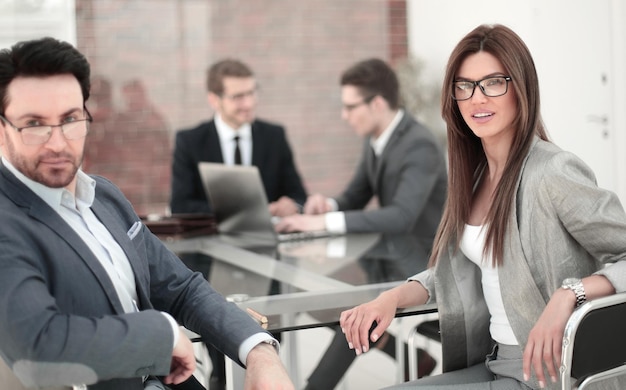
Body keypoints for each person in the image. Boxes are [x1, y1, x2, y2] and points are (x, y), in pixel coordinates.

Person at [339, 24, 626, 390]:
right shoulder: (474, 178)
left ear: (521, 89)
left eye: (493, 82)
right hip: (494, 361)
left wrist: (570, 293)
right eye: (465, 86)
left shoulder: (552, 171)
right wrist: (390, 298)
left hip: (547, 374)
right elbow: (451, 273)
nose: (477, 98)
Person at [0, 37, 294, 390]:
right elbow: (39, 350)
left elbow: (182, 288)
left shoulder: (103, 195)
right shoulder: (7, 220)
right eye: (34, 124)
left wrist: (259, 351)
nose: (58, 142)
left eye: (70, 119)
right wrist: (163, 334)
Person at [276, 58, 448, 389]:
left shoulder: (419, 144)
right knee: (311, 293)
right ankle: (404, 354)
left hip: (424, 262)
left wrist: (323, 222)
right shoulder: (377, 140)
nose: (345, 115)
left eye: (350, 107)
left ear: (378, 103)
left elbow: (401, 216)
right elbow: (355, 195)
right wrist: (326, 206)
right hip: (387, 257)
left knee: (350, 306)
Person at [170, 58, 307, 218]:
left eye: (251, 93)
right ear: (214, 100)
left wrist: (293, 205)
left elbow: (299, 196)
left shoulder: (274, 137)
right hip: (210, 239)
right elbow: (180, 206)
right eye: (238, 97)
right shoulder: (190, 142)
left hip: (267, 237)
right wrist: (243, 213)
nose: (249, 104)